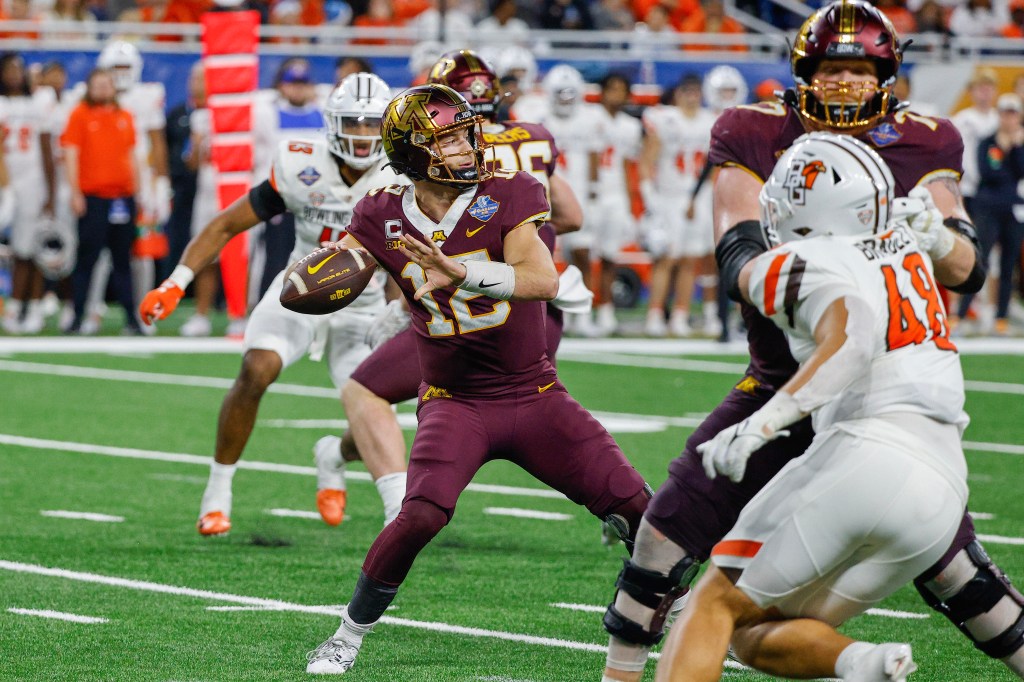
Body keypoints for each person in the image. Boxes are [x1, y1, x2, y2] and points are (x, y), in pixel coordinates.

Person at [601, 2, 1023, 681]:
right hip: (789, 376)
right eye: (832, 69)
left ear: (886, 76)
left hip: (870, 399)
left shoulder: (928, 141)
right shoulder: (753, 130)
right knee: (663, 536)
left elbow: (965, 268)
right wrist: (791, 273)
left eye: (861, 70)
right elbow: (737, 246)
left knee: (962, 580)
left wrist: (938, 235)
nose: (846, 83)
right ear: (805, 73)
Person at [304, 82, 649, 675]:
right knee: (419, 515)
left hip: (535, 393)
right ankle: (347, 632)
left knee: (640, 509)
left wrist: (458, 270)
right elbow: (355, 260)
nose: (468, 146)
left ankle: (679, 599)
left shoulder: (512, 191)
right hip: (454, 400)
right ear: (413, 152)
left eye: (466, 134)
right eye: (450, 139)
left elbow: (540, 279)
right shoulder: (381, 211)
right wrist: (317, 281)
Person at [657, 132, 968, 682]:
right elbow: (966, 266)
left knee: (710, 604)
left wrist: (763, 423)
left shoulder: (810, 255)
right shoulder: (903, 237)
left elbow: (851, 339)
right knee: (751, 633)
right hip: (944, 493)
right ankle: (866, 664)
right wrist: (939, 241)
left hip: (870, 453)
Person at [312, 49, 589, 528]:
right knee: (539, 420)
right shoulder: (532, 143)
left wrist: (406, 300)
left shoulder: (446, 161)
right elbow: (571, 217)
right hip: (530, 303)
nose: (462, 145)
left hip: (480, 304)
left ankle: (399, 507)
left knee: (404, 399)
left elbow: (430, 240)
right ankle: (625, 507)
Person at [138, 73, 408, 537]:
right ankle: (217, 492)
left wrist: (398, 308)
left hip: (366, 307)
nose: (363, 135)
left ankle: (335, 458)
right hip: (299, 292)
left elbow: (413, 253)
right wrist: (175, 282)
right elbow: (226, 224)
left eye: (370, 124)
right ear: (332, 125)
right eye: (353, 124)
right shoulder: (300, 163)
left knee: (375, 413)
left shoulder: (402, 176)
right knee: (256, 369)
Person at [61, 68, 141, 336]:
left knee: (123, 262)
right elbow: (71, 154)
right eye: (98, 85)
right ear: (89, 87)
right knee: (87, 261)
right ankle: (77, 317)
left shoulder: (125, 115)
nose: (103, 90)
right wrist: (75, 193)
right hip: (93, 198)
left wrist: (137, 193)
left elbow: (132, 157)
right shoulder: (79, 115)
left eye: (107, 84)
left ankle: (132, 318)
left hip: (122, 197)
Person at [640, 74, 717, 338]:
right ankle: (654, 314)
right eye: (687, 90)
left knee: (690, 259)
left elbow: (712, 166)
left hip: (698, 195)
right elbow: (647, 159)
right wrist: (651, 199)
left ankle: (681, 315)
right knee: (666, 259)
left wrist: (701, 197)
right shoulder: (665, 118)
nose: (692, 96)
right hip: (668, 196)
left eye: (696, 91)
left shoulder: (710, 121)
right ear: (678, 93)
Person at [957, 92, 1024, 336]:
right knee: (979, 260)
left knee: (1008, 266)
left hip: (1014, 209)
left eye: (1013, 114)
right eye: (1006, 113)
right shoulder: (988, 141)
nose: (1009, 119)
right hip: (988, 207)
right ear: (1000, 116)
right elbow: (988, 172)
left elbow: (1019, 172)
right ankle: (961, 314)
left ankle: (1001, 318)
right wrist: (1005, 148)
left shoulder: (1020, 144)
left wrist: (1015, 148)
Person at [0, 52, 57, 335]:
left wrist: (51, 191)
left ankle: (28, 307)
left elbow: (47, 150)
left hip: (31, 181)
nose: (14, 74)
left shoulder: (37, 102)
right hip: (5, 181)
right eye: (8, 68)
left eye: (18, 69)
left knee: (29, 248)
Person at [589, 73, 642, 336]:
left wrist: (632, 204)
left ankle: (606, 309)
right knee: (582, 253)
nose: (616, 94)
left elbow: (627, 167)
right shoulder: (588, 117)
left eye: (621, 89)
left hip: (615, 194)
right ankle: (583, 310)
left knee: (610, 255)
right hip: (590, 193)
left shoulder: (630, 126)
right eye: (612, 88)